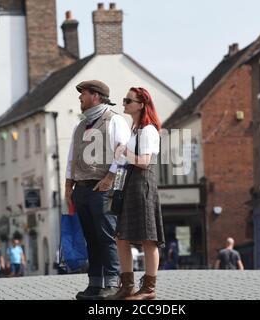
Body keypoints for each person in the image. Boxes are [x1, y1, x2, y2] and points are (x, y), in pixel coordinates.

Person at [65, 80, 131, 300]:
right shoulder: (79, 126)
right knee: (91, 239)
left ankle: (113, 283)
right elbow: (71, 158)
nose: (79, 98)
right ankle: (95, 284)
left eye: (82, 94)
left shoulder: (115, 121)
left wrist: (110, 177)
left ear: (95, 96)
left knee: (106, 238)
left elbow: (123, 152)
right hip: (81, 189)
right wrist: (68, 186)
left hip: (103, 189)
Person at [107, 87, 165, 300]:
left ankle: (149, 288)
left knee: (148, 239)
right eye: (124, 99)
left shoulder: (148, 130)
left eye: (128, 100)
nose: (124, 103)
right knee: (121, 237)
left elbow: (144, 162)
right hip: (130, 184)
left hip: (143, 185)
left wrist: (124, 152)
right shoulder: (135, 129)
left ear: (141, 104)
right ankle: (127, 286)